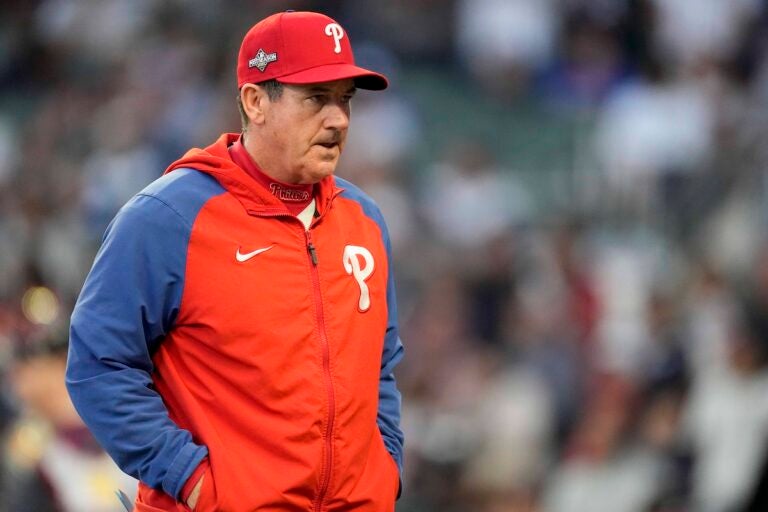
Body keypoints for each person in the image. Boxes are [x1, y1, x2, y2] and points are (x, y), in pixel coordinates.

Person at [65, 10, 404, 512]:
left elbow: (380, 366)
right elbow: (98, 364)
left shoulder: (365, 220)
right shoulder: (168, 217)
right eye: (316, 99)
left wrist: (385, 467)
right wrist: (190, 478)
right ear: (254, 101)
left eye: (345, 100)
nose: (338, 119)